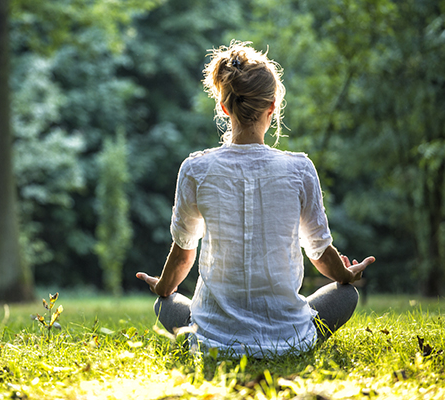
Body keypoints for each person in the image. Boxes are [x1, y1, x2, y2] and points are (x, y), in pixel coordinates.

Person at [136, 41, 375, 357]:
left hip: (213, 342)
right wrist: (346, 275)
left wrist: (163, 287)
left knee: (164, 303)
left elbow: (183, 255)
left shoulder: (195, 168)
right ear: (272, 107)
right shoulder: (299, 168)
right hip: (287, 339)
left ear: (224, 107)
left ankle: (210, 332)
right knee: (346, 296)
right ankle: (293, 338)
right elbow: (319, 252)